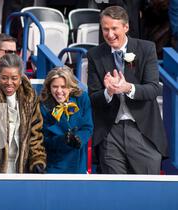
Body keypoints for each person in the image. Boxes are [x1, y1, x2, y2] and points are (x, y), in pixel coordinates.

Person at [87, 6, 168, 174]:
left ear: (126, 27)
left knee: (147, 190)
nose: (110, 34)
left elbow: (153, 89)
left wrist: (127, 87)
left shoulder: (146, 48)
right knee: (114, 191)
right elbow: (93, 97)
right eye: (105, 29)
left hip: (142, 132)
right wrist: (108, 92)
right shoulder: (95, 54)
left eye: (114, 28)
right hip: (110, 132)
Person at [40, 66, 93, 174]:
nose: (59, 91)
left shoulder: (82, 98)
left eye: (63, 87)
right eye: (55, 86)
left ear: (71, 87)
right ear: (49, 87)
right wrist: (63, 140)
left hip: (78, 164)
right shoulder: (44, 105)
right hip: (55, 165)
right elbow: (45, 139)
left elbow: (88, 127)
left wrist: (79, 139)